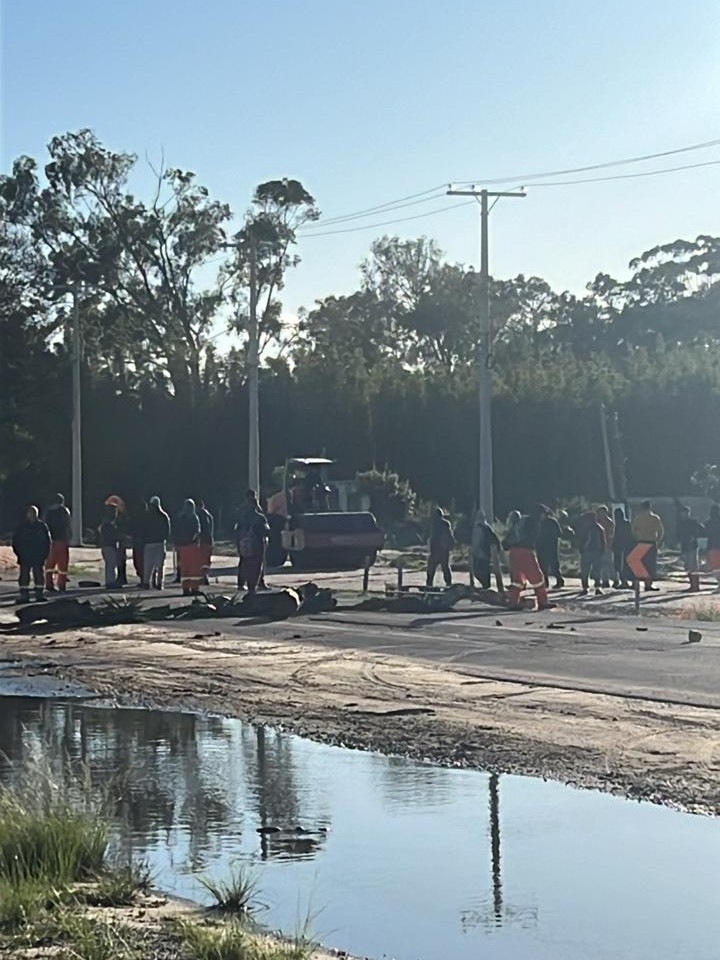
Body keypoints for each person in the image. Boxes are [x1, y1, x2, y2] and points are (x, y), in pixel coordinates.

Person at [502, 505, 553, 611]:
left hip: (513, 552)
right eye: (544, 514)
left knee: (518, 580)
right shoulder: (533, 523)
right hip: (525, 552)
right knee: (537, 578)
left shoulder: (522, 521)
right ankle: (542, 602)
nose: (545, 517)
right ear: (540, 514)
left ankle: (513, 602)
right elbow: (532, 539)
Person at [12, 505, 51, 604]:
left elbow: (47, 542)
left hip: (38, 556)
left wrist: (45, 554)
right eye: (31, 513)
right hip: (25, 555)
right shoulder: (22, 526)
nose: (32, 515)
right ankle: (24, 596)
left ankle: (39, 595)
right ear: (27, 514)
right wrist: (19, 553)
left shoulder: (42, 526)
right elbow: (16, 541)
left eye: (34, 513)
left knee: (39, 576)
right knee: (24, 576)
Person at [234, 492, 270, 594]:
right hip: (257, 545)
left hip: (244, 544)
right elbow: (266, 531)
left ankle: (242, 583)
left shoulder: (242, 515)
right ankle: (253, 585)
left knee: (245, 563)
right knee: (257, 565)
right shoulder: (260, 517)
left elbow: (236, 530)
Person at [631, 500, 664, 591]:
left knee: (640, 562)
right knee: (650, 564)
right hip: (651, 542)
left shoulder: (638, 517)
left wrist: (637, 537)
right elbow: (661, 531)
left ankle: (638, 580)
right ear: (650, 507)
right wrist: (658, 540)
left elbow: (633, 530)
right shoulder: (655, 518)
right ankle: (648, 584)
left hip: (641, 542)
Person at [173, 499, 202, 596]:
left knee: (185, 568)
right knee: (193, 569)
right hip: (192, 546)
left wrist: (177, 543)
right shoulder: (194, 518)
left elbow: (176, 532)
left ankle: (185, 588)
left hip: (182, 546)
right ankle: (194, 588)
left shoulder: (180, 518)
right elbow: (197, 532)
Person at [44, 493, 72, 592]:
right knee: (63, 564)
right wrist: (69, 537)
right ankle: (61, 584)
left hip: (51, 540)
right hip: (62, 540)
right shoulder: (64, 511)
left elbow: (45, 526)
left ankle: (49, 583)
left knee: (50, 564)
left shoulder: (49, 512)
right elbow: (68, 525)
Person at [537, 509, 571, 590]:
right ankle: (545, 582)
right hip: (541, 546)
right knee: (542, 565)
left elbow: (559, 533)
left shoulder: (552, 521)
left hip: (551, 545)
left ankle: (559, 580)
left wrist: (551, 537)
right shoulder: (538, 522)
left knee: (554, 564)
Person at [143, 496, 171, 589]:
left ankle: (147, 582)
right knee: (160, 565)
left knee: (148, 564)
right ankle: (159, 583)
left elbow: (143, 529)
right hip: (159, 542)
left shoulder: (147, 516)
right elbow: (167, 530)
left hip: (149, 542)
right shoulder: (164, 516)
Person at [578, 511, 606, 596]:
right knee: (596, 570)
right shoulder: (599, 528)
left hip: (589, 551)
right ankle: (596, 588)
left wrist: (581, 549)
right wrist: (603, 549)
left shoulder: (586, 528)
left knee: (586, 570)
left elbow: (581, 540)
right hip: (596, 551)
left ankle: (586, 588)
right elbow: (603, 541)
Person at [677, 504, 705, 593]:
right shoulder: (681, 523)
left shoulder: (692, 522)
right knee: (688, 566)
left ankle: (695, 586)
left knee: (693, 566)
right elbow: (679, 534)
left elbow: (702, 530)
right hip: (685, 546)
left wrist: (695, 536)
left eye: (685, 513)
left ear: (688, 513)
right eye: (682, 513)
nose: (683, 514)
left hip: (692, 546)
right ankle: (692, 585)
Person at [471, 509, 500, 589]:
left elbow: (476, 541)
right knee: (485, 570)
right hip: (487, 552)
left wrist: (473, 551)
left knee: (477, 571)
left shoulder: (478, 528)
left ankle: (485, 586)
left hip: (480, 553)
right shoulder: (487, 527)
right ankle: (486, 586)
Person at [426, 507, 454, 588]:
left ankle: (429, 585)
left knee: (431, 568)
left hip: (437, 549)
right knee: (445, 568)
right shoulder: (445, 524)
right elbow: (450, 536)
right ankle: (449, 584)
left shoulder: (435, 524)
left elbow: (433, 537)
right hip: (444, 550)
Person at [98, 504, 121, 589]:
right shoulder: (108, 524)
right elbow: (112, 535)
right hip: (109, 545)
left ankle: (111, 580)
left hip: (107, 545)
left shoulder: (107, 522)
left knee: (111, 564)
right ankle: (110, 581)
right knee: (111, 564)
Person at [612, 507, 633, 589]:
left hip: (622, 547)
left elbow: (621, 536)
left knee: (622, 566)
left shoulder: (622, 524)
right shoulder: (624, 523)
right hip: (622, 547)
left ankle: (625, 582)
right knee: (619, 565)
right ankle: (625, 581)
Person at [595, 505, 615, 589]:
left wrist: (609, 544)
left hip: (607, 545)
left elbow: (611, 534)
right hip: (598, 546)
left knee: (608, 563)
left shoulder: (609, 522)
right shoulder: (596, 522)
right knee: (601, 564)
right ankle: (603, 580)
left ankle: (611, 580)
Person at [198, 500, 215, 586]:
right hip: (209, 540)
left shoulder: (199, 516)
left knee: (200, 559)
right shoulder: (209, 516)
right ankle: (205, 575)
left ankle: (202, 576)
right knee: (207, 560)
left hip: (202, 541)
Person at [704, 504, 720, 591]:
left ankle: (719, 584)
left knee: (716, 567)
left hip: (712, 546)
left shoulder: (709, 523)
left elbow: (704, 533)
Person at [132, 501, 148, 585]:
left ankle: (143, 579)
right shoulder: (138, 518)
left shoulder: (144, 518)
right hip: (140, 542)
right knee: (139, 562)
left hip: (141, 542)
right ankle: (143, 578)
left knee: (140, 562)